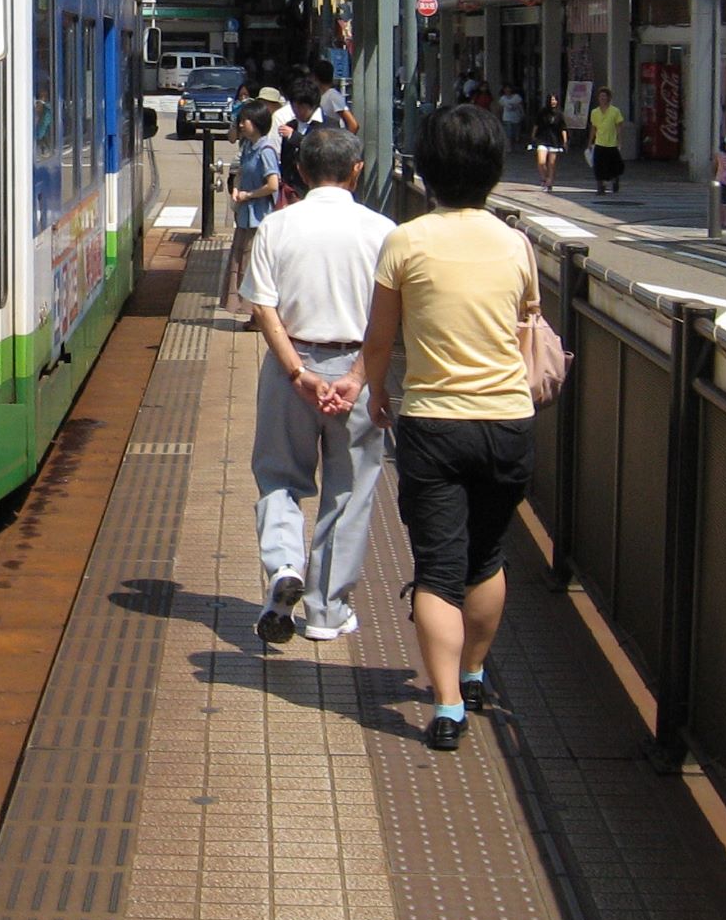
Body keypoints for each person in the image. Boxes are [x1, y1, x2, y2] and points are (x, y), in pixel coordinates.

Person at [333, 105, 536, 752]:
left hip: (433, 422)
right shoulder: (515, 242)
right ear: (492, 172)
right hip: (506, 418)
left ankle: (446, 704)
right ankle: (475, 673)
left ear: (426, 170)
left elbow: (379, 339)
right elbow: (525, 323)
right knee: (486, 555)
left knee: (436, 569)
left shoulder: (406, 241)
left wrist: (376, 394)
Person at [246, 125, 397, 644]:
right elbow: (389, 316)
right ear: (357, 171)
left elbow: (262, 305)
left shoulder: (278, 226)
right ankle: (327, 611)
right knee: (349, 489)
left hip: (292, 368)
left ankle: (284, 563)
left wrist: (298, 373)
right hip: (359, 369)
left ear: (301, 172)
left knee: (278, 474)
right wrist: (357, 377)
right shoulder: (383, 231)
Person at [220, 103, 282, 318]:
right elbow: (240, 173)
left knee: (253, 262)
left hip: (260, 216)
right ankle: (248, 310)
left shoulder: (266, 150)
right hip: (246, 214)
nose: (241, 124)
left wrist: (249, 194)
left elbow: (273, 184)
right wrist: (237, 188)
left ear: (257, 123)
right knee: (242, 258)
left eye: (245, 120)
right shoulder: (247, 146)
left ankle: (256, 312)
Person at [587, 85, 626, 195]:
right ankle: (601, 186)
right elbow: (593, 127)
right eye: (601, 96)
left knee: (614, 166)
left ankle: (615, 180)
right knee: (599, 166)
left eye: (605, 96)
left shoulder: (615, 111)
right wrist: (590, 142)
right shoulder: (594, 112)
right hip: (599, 143)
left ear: (609, 98)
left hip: (611, 144)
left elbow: (619, 126)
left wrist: (619, 140)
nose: (602, 98)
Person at [312, 59, 359, 133]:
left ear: (315, 78)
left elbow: (353, 124)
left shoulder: (333, 96)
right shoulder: (320, 96)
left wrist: (344, 142)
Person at [532, 96, 566, 193]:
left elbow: (563, 128)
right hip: (542, 138)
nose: (553, 102)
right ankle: (544, 178)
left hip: (554, 140)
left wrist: (565, 141)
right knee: (541, 161)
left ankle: (549, 182)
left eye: (555, 100)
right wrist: (533, 136)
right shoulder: (542, 112)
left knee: (551, 163)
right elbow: (536, 125)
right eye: (551, 100)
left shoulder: (559, 114)